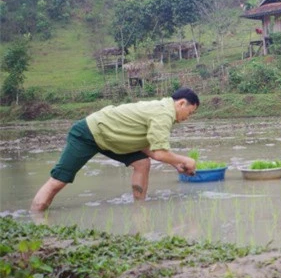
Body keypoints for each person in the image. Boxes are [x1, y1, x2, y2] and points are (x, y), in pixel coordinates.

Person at [30, 88, 200, 212]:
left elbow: (147, 145)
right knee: (59, 180)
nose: (187, 118)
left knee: (142, 163)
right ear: (182, 103)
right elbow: (160, 153)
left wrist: (175, 165)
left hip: (111, 138)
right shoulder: (164, 113)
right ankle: (35, 216)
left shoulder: (162, 109)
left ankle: (139, 208)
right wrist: (185, 160)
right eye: (190, 113)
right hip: (89, 133)